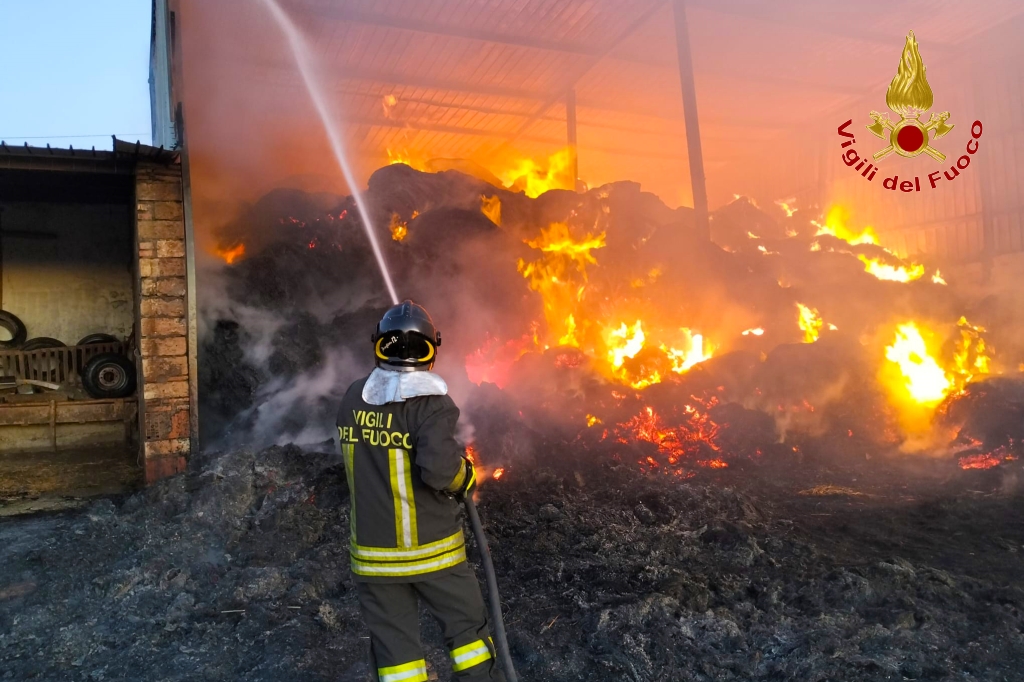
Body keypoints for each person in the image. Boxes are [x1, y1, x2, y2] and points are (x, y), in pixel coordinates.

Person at [336, 300, 506, 682]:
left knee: (396, 658)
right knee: (467, 634)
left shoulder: (352, 398)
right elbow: (440, 471)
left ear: (378, 344)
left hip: (372, 556)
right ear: (431, 349)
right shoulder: (432, 405)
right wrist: (466, 478)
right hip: (432, 554)